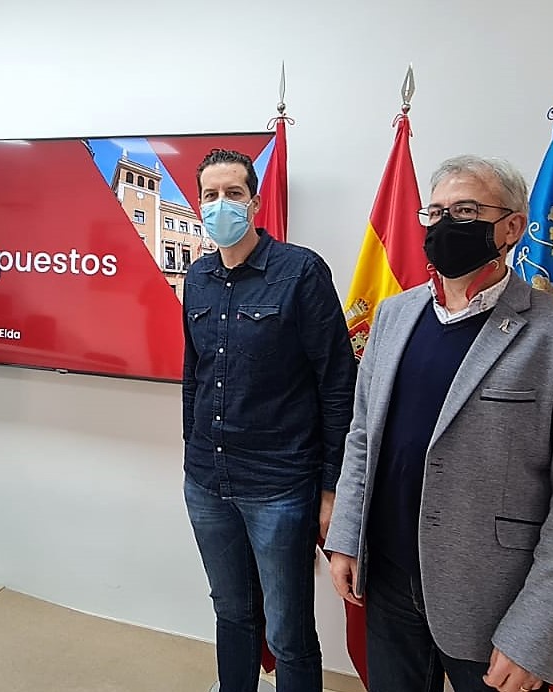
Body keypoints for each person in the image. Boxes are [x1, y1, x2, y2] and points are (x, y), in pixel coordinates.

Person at [325, 155, 553, 692]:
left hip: (494, 603)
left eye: (464, 211)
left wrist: (535, 633)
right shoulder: (394, 315)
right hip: (388, 580)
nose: (444, 225)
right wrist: (346, 536)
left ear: (512, 227)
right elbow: (363, 437)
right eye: (435, 212)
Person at [182, 149, 356, 692]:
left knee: (288, 632)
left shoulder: (300, 272)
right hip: (207, 482)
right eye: (211, 195)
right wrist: (191, 456)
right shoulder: (198, 277)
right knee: (231, 611)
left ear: (254, 202)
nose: (221, 205)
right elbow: (194, 376)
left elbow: (337, 384)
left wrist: (331, 488)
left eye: (233, 194)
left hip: (279, 486)